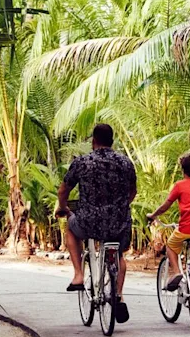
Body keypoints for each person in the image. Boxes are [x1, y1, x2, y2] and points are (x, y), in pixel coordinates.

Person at [56, 123, 137, 324]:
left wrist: (63, 207)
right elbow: (133, 191)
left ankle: (78, 275)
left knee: (71, 231)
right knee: (118, 255)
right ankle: (117, 295)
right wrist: (119, 206)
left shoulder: (83, 162)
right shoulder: (125, 162)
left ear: (93, 141)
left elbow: (63, 190)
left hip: (89, 221)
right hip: (119, 222)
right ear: (112, 141)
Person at [147, 152, 190, 291]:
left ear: (183, 170)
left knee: (171, 247)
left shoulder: (180, 185)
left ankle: (177, 272)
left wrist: (153, 215)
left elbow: (165, 206)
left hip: (186, 229)